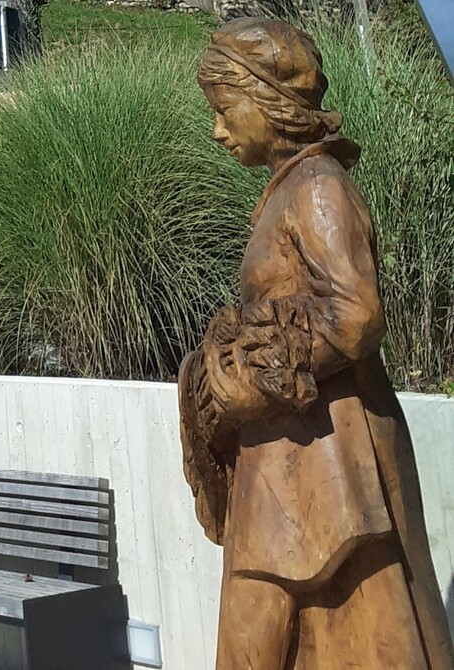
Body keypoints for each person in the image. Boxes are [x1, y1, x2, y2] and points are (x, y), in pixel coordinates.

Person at [178, 17, 454, 670]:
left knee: (328, 629)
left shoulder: (319, 187)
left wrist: (256, 375)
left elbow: (356, 316)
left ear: (268, 102)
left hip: (326, 456)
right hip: (290, 459)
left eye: (225, 110)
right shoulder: (291, 189)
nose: (217, 129)